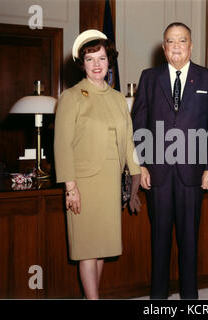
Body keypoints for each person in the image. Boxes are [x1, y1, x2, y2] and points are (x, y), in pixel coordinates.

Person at [131, 22, 208, 299]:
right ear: (164, 48)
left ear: (191, 45)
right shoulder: (150, 77)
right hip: (157, 172)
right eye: (171, 41)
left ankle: (190, 297)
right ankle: (158, 297)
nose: (176, 46)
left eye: (182, 40)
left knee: (189, 239)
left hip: (192, 173)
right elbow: (139, 124)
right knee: (159, 238)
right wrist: (141, 165)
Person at [54, 29, 141, 299]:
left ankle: (91, 297)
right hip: (83, 183)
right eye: (90, 59)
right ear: (82, 63)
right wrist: (71, 187)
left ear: (109, 61)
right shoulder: (72, 96)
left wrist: (136, 182)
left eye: (101, 58)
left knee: (101, 246)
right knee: (86, 249)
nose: (96, 65)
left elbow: (128, 142)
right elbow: (62, 145)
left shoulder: (117, 99)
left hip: (110, 183)